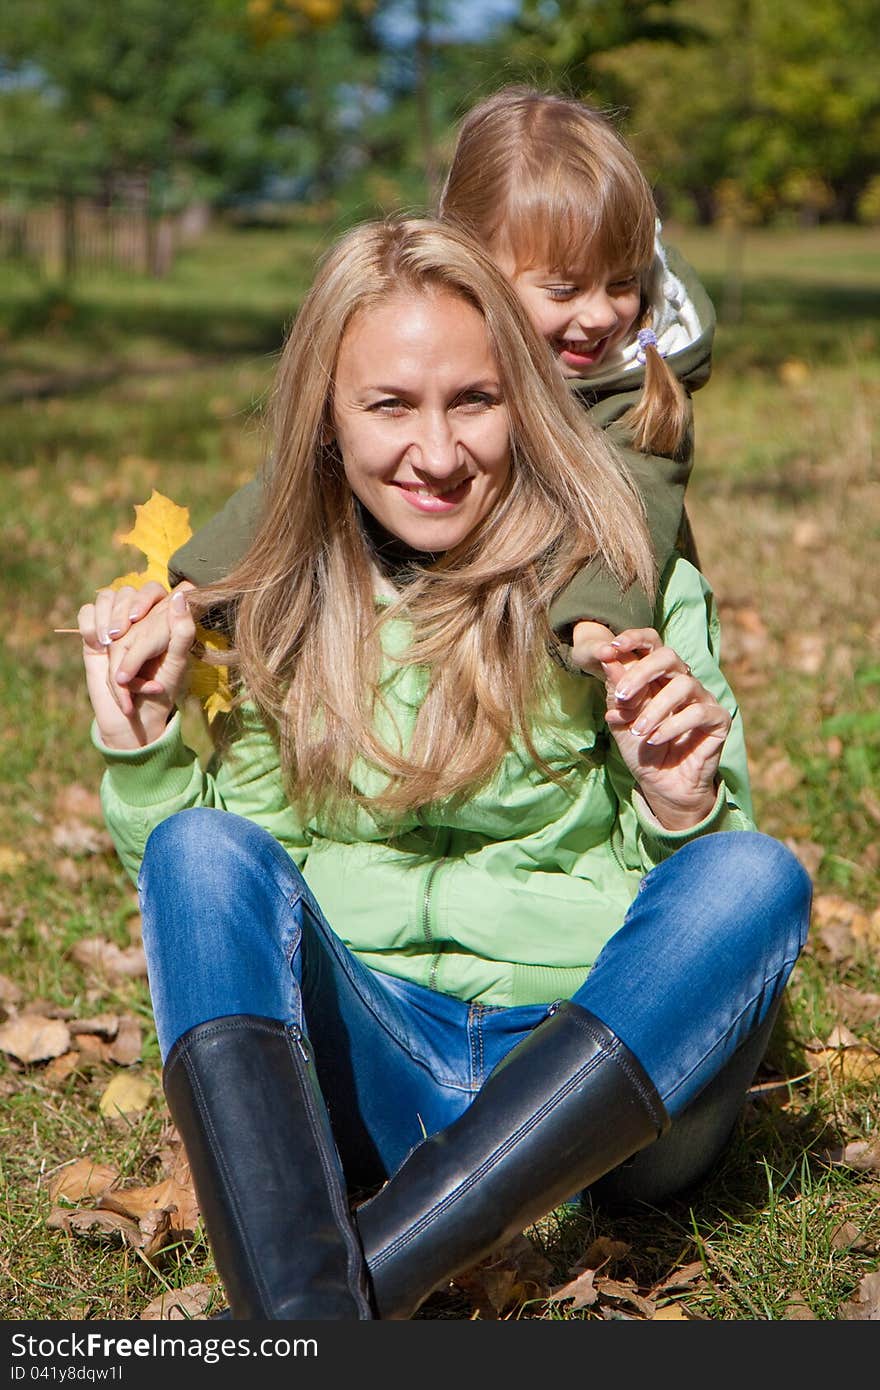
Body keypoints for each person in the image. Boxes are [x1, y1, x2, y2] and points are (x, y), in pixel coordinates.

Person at [78, 217, 810, 1322]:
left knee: (753, 880)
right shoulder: (272, 593)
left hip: (601, 1098)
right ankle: (327, 1312)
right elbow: (230, 890)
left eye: (473, 400)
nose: (436, 451)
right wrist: (141, 752)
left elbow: (699, 914)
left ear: (524, 396)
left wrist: (677, 807)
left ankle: (318, 1308)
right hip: (372, 1065)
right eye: (388, 405)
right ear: (323, 420)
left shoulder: (624, 573)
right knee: (196, 848)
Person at [92, 85, 714, 681]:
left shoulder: (636, 385)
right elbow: (299, 478)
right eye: (564, 289)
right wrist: (197, 592)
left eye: (623, 283)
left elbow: (631, 515)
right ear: (471, 264)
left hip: (598, 628)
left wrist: (598, 630)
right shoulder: (434, 345)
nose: (603, 314)